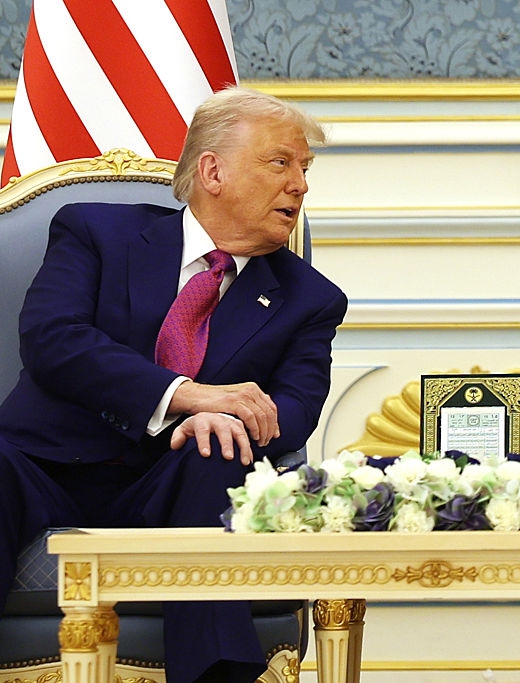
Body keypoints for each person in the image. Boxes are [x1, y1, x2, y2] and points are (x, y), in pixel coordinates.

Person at [0, 87, 348, 683]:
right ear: (213, 169)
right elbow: (55, 340)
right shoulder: (97, 232)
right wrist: (189, 396)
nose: (300, 185)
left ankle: (216, 674)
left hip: (178, 479)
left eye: (304, 168)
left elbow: (293, 409)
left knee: (219, 450)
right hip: (44, 464)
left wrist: (226, 418)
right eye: (280, 162)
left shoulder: (310, 297)